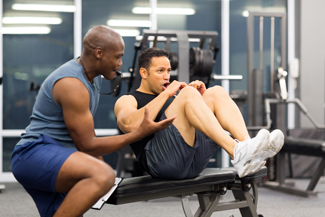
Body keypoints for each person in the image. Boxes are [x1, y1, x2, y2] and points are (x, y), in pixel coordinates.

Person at [11, 26, 175, 217]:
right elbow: (88, 145)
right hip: (33, 153)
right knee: (102, 175)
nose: (120, 63)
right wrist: (138, 133)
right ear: (99, 53)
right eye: (117, 57)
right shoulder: (72, 84)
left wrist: (100, 165)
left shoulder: (93, 78)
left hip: (59, 154)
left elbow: (87, 133)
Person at [114, 47, 284, 180]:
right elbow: (130, 124)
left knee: (215, 92)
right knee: (187, 93)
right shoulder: (129, 99)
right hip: (160, 163)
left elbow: (185, 127)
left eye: (168, 71)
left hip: (192, 161)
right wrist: (171, 94)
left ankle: (247, 151)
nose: (167, 76)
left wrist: (200, 101)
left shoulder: (173, 96)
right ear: (144, 73)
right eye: (160, 71)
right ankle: (236, 152)